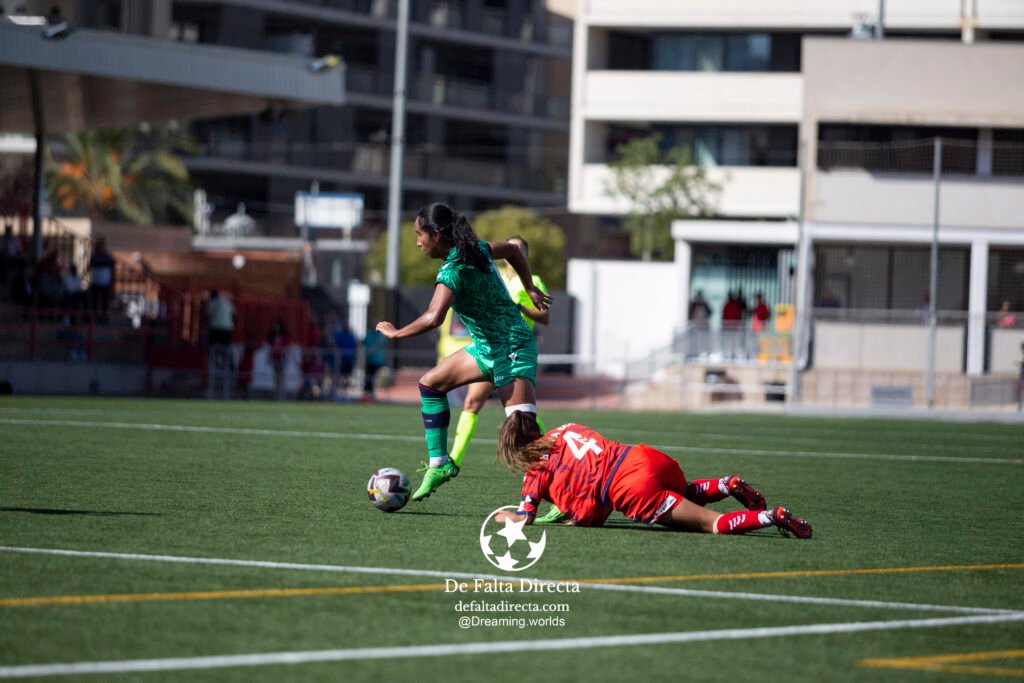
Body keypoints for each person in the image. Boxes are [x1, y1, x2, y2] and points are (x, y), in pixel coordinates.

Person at [375, 203, 550, 502]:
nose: (417, 242)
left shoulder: (453, 270)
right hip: (486, 349)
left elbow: (433, 317)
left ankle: (567, 496)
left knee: (524, 440)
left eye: (420, 234)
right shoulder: (476, 250)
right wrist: (528, 286)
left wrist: (395, 332)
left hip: (512, 348)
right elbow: (512, 250)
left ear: (437, 233)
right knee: (430, 384)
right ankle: (440, 464)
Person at [494, 415, 812, 539]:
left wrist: (506, 516)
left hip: (629, 487)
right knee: (685, 492)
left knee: (713, 524)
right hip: (642, 456)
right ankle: (726, 484)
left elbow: (527, 518)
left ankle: (772, 516)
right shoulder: (566, 427)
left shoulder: (534, 470)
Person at [447, 235, 550, 475]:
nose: (514, 255)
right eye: (512, 249)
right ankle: (453, 461)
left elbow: (545, 317)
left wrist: (520, 307)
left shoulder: (533, 280)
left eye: (519, 250)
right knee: (471, 402)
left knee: (522, 416)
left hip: (515, 352)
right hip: (491, 350)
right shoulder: (498, 278)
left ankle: (550, 456)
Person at [88, 237, 115, 317]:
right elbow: (90, 267)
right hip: (96, 281)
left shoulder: (108, 257)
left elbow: (112, 267)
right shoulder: (94, 257)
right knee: (95, 302)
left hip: (104, 282)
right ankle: (94, 316)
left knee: (104, 301)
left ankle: (103, 317)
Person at [362, 326, 388, 403]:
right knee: (369, 378)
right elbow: (362, 342)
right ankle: (369, 396)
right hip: (370, 361)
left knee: (374, 379)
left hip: (378, 361)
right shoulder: (369, 334)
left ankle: (373, 396)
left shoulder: (381, 336)